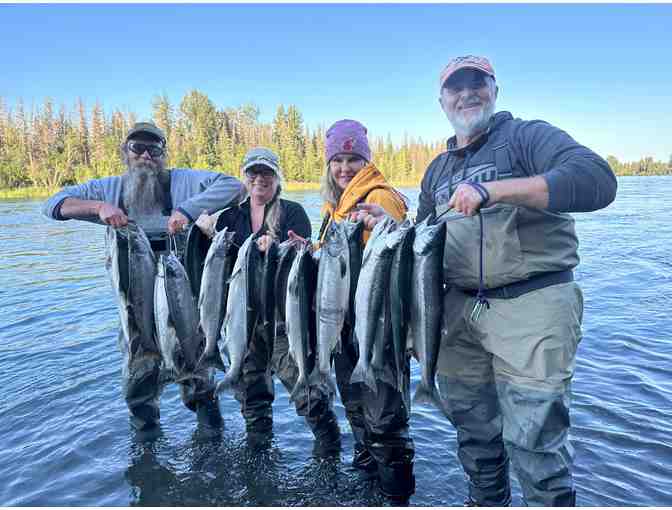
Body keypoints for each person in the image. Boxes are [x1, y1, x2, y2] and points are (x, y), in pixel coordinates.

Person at [356, 56, 618, 506]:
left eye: (476, 83)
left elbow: (598, 181)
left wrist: (494, 190)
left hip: (532, 306)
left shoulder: (526, 136)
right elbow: (426, 239)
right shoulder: (436, 170)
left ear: (494, 89)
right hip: (457, 314)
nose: (466, 94)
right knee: (475, 441)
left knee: (536, 445)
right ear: (441, 101)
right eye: (455, 88)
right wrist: (393, 230)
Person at [42, 121, 245, 432]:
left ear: (164, 154)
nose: (146, 155)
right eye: (138, 147)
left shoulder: (185, 181)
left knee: (200, 383)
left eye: (155, 149)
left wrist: (188, 210)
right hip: (135, 309)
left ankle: (212, 445)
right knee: (139, 386)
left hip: (184, 305)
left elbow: (235, 187)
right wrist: (98, 208)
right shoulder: (108, 188)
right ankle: (147, 454)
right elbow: (53, 205)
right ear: (126, 151)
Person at [292, 119, 415, 503]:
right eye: (338, 160)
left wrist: (391, 225)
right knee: (358, 414)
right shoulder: (336, 207)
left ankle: (395, 497)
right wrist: (311, 251)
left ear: (367, 161)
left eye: (353, 159)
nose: (344, 167)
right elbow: (341, 266)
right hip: (343, 330)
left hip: (376, 329)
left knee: (385, 422)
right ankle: (368, 487)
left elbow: (399, 246)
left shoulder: (380, 197)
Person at [197, 147, 341, 452]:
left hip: (283, 322)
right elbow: (217, 268)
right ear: (244, 177)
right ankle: (259, 456)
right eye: (253, 172)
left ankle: (329, 449)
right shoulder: (230, 216)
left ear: (277, 179)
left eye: (266, 173)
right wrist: (206, 236)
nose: (259, 179)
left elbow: (301, 262)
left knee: (309, 396)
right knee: (251, 399)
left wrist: (277, 247)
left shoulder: (293, 212)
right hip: (240, 324)